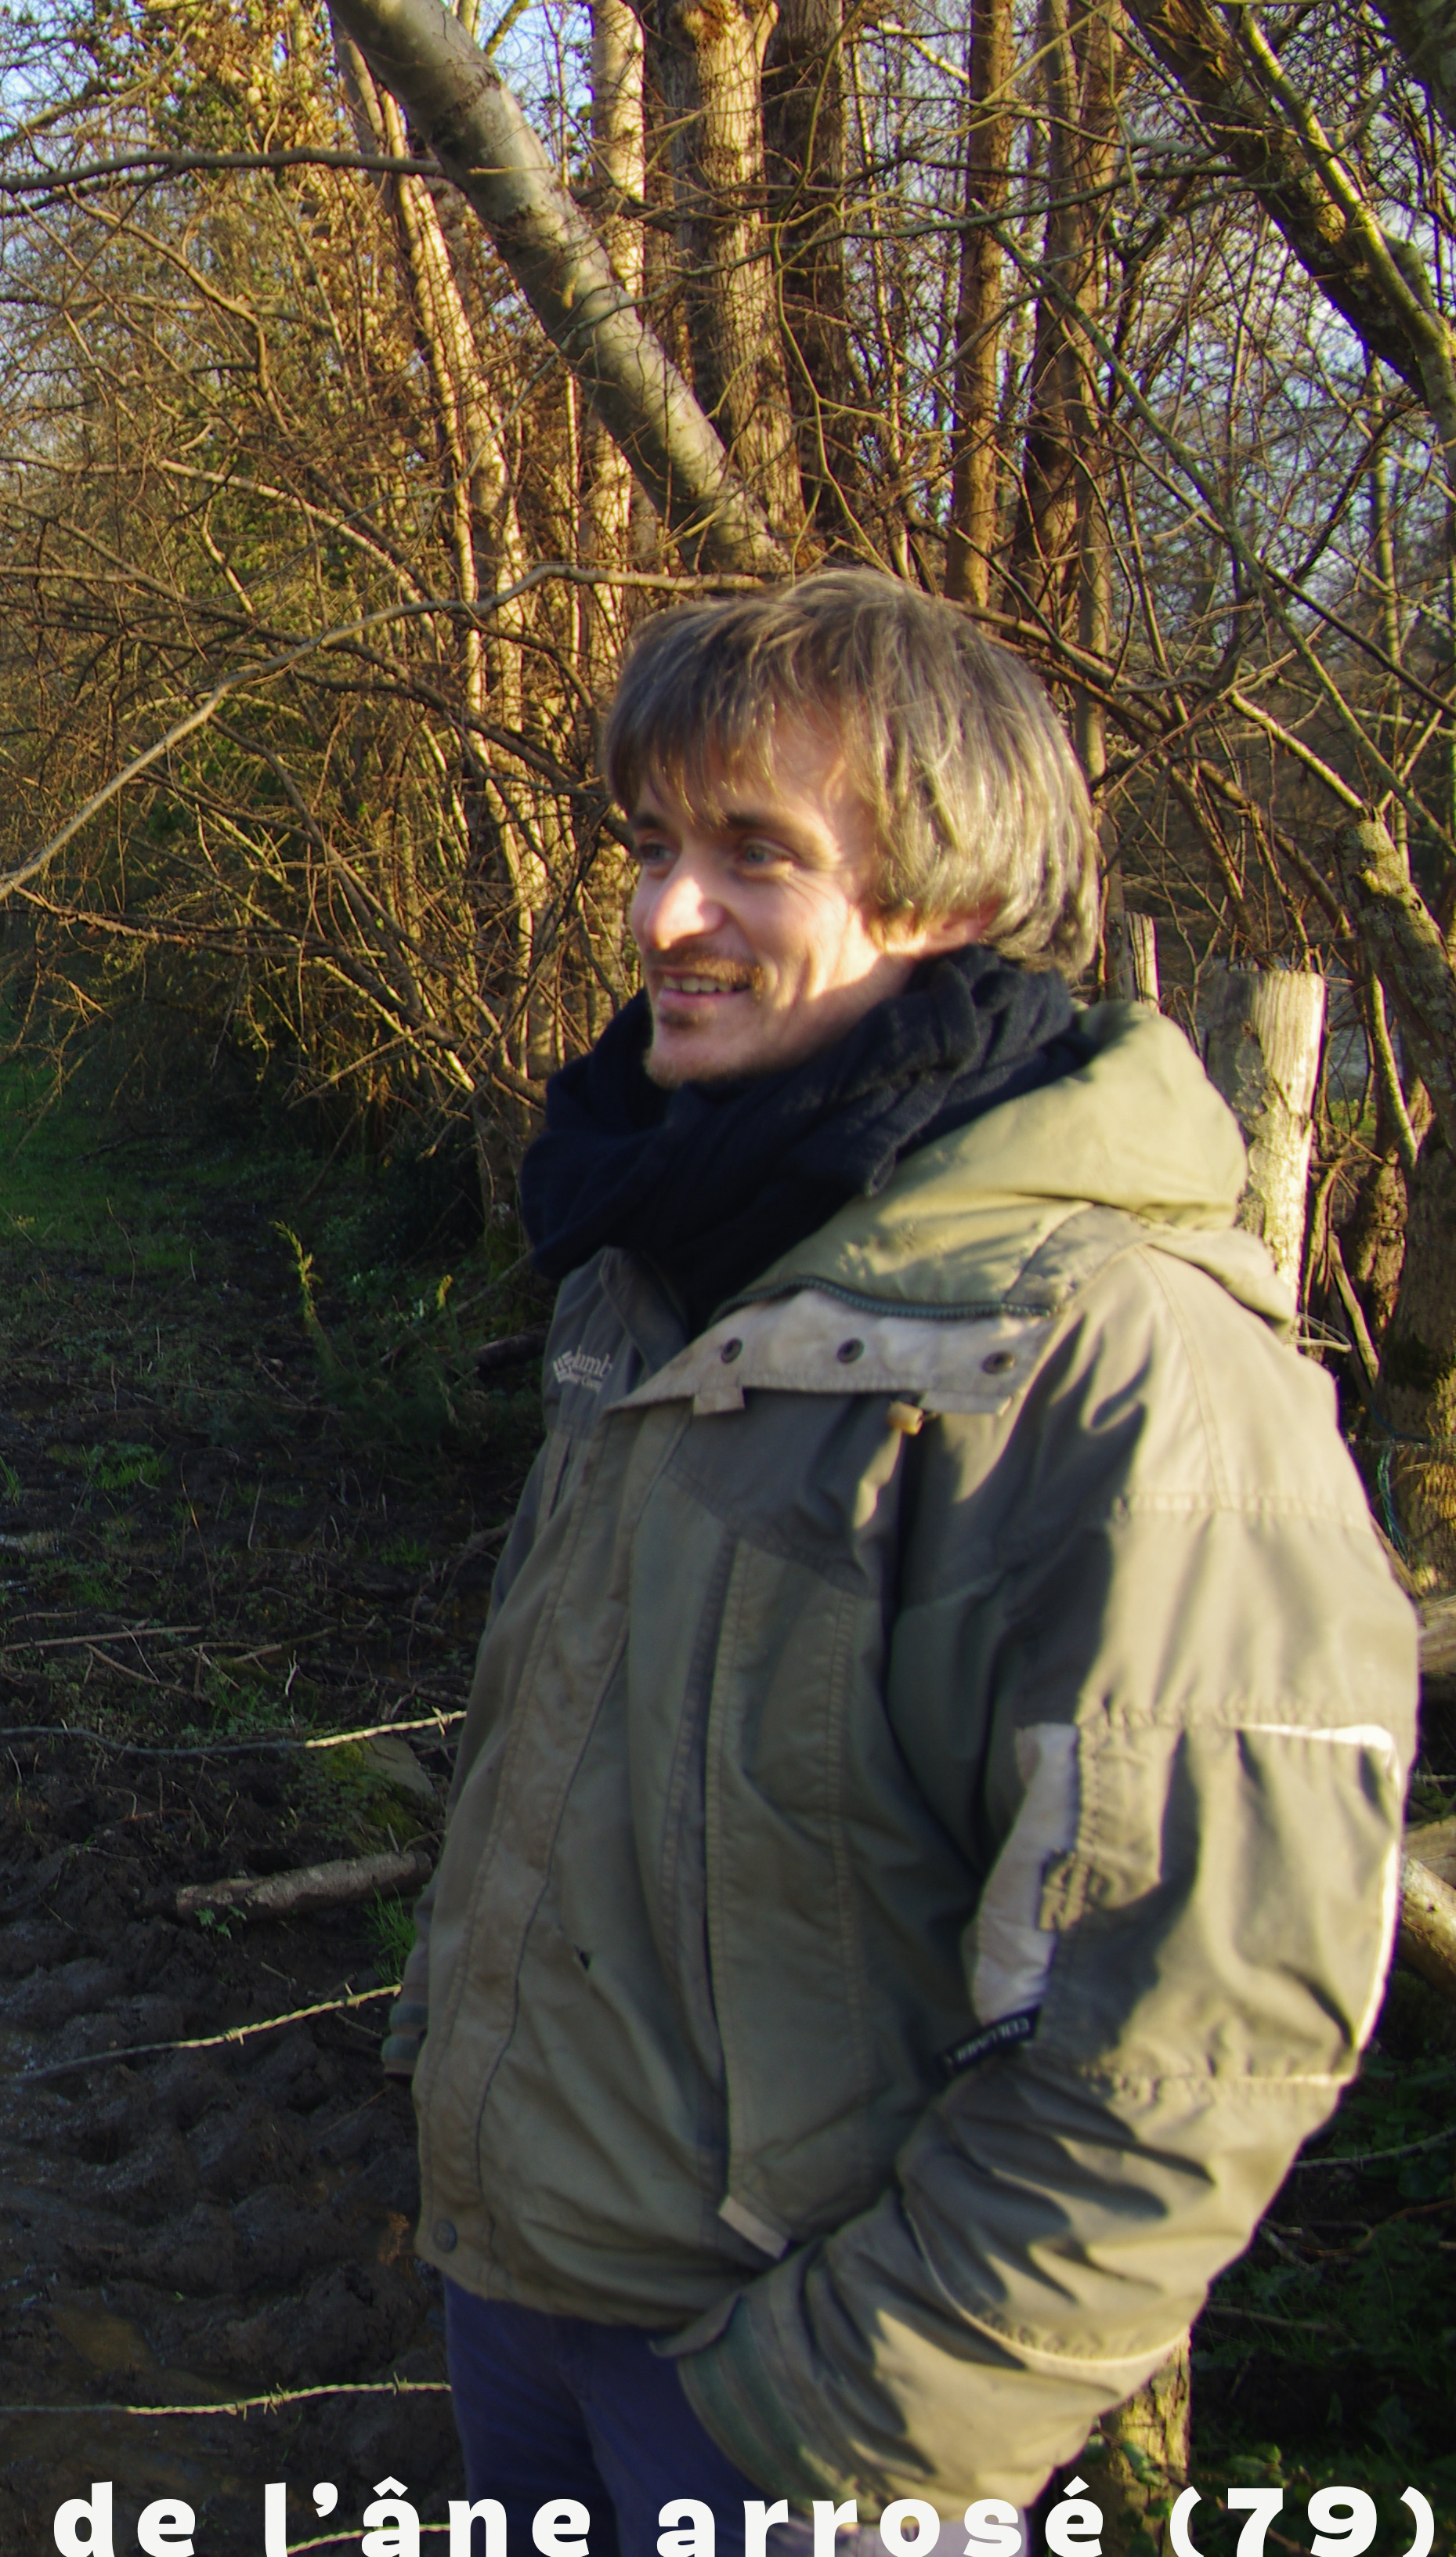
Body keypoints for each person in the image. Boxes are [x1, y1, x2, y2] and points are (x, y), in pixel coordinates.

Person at [380, 568, 1418, 2530]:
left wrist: (826, 2417)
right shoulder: (663, 1261)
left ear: (948, 894)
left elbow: (1196, 2034)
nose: (660, 916)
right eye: (651, 846)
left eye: (752, 856)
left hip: (794, 2414)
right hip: (526, 2307)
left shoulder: (1115, 1365)